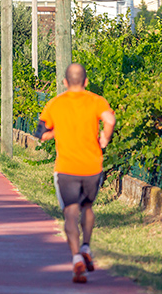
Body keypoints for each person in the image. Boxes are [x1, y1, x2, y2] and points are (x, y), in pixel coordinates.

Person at [35, 63, 116, 284]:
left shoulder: (55, 104)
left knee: (70, 213)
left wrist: (57, 131)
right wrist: (105, 138)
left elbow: (41, 134)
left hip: (66, 168)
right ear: (86, 81)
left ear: (64, 82)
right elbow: (110, 120)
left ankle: (76, 258)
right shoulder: (96, 101)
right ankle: (87, 246)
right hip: (92, 166)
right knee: (87, 208)